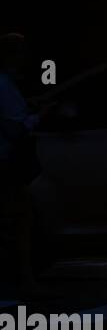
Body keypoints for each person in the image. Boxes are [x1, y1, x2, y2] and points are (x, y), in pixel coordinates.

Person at [0, 34, 40, 294]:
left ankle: (23, 281)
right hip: (6, 162)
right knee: (17, 221)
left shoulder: (7, 84)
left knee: (16, 220)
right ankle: (23, 282)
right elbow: (15, 128)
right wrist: (37, 118)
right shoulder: (3, 85)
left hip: (7, 163)